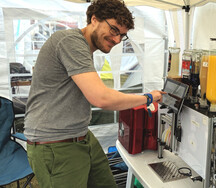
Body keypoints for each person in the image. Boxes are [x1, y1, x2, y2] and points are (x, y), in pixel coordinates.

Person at [24, 0, 165, 187]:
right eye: (114, 30)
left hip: (81, 136)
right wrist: (148, 97)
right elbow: (101, 98)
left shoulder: (83, 48)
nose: (116, 40)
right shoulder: (70, 41)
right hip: (55, 146)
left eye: (122, 35)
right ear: (94, 19)